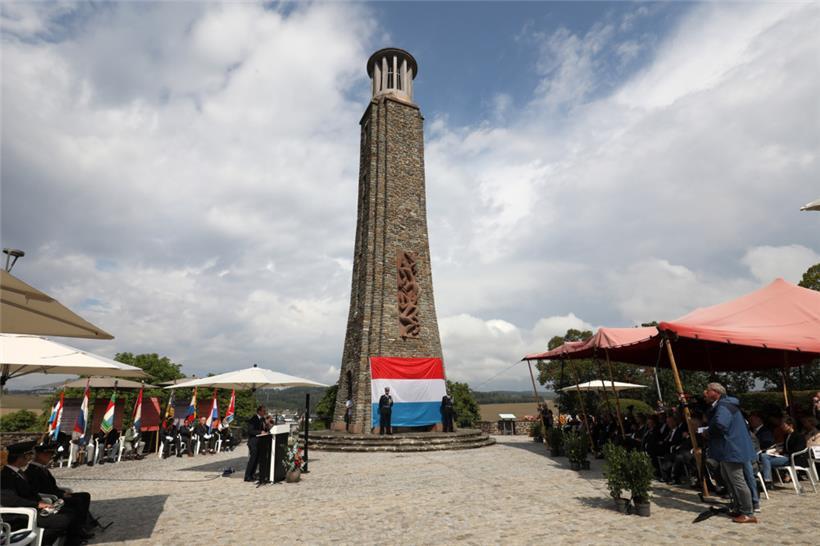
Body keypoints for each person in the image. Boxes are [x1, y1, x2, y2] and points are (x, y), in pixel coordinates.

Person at [0, 442, 91, 546]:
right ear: (19, 458)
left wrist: (42, 502)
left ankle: (70, 540)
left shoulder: (17, 473)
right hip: (19, 515)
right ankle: (42, 542)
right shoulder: (5, 475)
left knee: (68, 512)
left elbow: (31, 492)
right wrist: (37, 504)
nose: (29, 458)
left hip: (32, 508)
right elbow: (10, 500)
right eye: (27, 456)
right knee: (64, 519)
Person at [699, 382, 757, 523]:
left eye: (707, 390)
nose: (705, 393)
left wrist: (707, 432)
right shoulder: (723, 405)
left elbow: (720, 424)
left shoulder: (724, 406)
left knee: (737, 481)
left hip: (732, 448)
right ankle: (738, 507)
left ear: (716, 393)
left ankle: (748, 512)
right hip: (728, 449)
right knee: (729, 479)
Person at [25, 444, 94, 532]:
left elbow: (52, 486)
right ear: (39, 455)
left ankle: (83, 523)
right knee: (78, 500)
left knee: (84, 496)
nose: (50, 458)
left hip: (56, 494)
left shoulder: (41, 468)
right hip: (50, 498)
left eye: (50, 455)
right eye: (47, 455)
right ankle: (79, 528)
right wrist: (61, 494)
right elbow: (41, 490)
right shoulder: (32, 471)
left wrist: (62, 492)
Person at [759, 416, 807, 488]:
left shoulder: (799, 436)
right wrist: (778, 453)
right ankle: (767, 480)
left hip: (792, 458)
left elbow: (798, 449)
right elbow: (785, 448)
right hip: (785, 456)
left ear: (790, 425)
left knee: (765, 461)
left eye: (783, 425)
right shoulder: (786, 435)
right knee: (764, 456)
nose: (781, 427)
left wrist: (784, 453)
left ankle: (767, 481)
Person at [244, 405, 268, 482]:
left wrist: (268, 427)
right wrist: (260, 432)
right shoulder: (253, 419)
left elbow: (265, 429)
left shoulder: (263, 419)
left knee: (257, 460)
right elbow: (250, 431)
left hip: (260, 442)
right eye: (263, 411)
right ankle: (247, 476)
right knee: (252, 459)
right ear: (259, 411)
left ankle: (252, 475)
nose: (265, 412)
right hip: (253, 442)